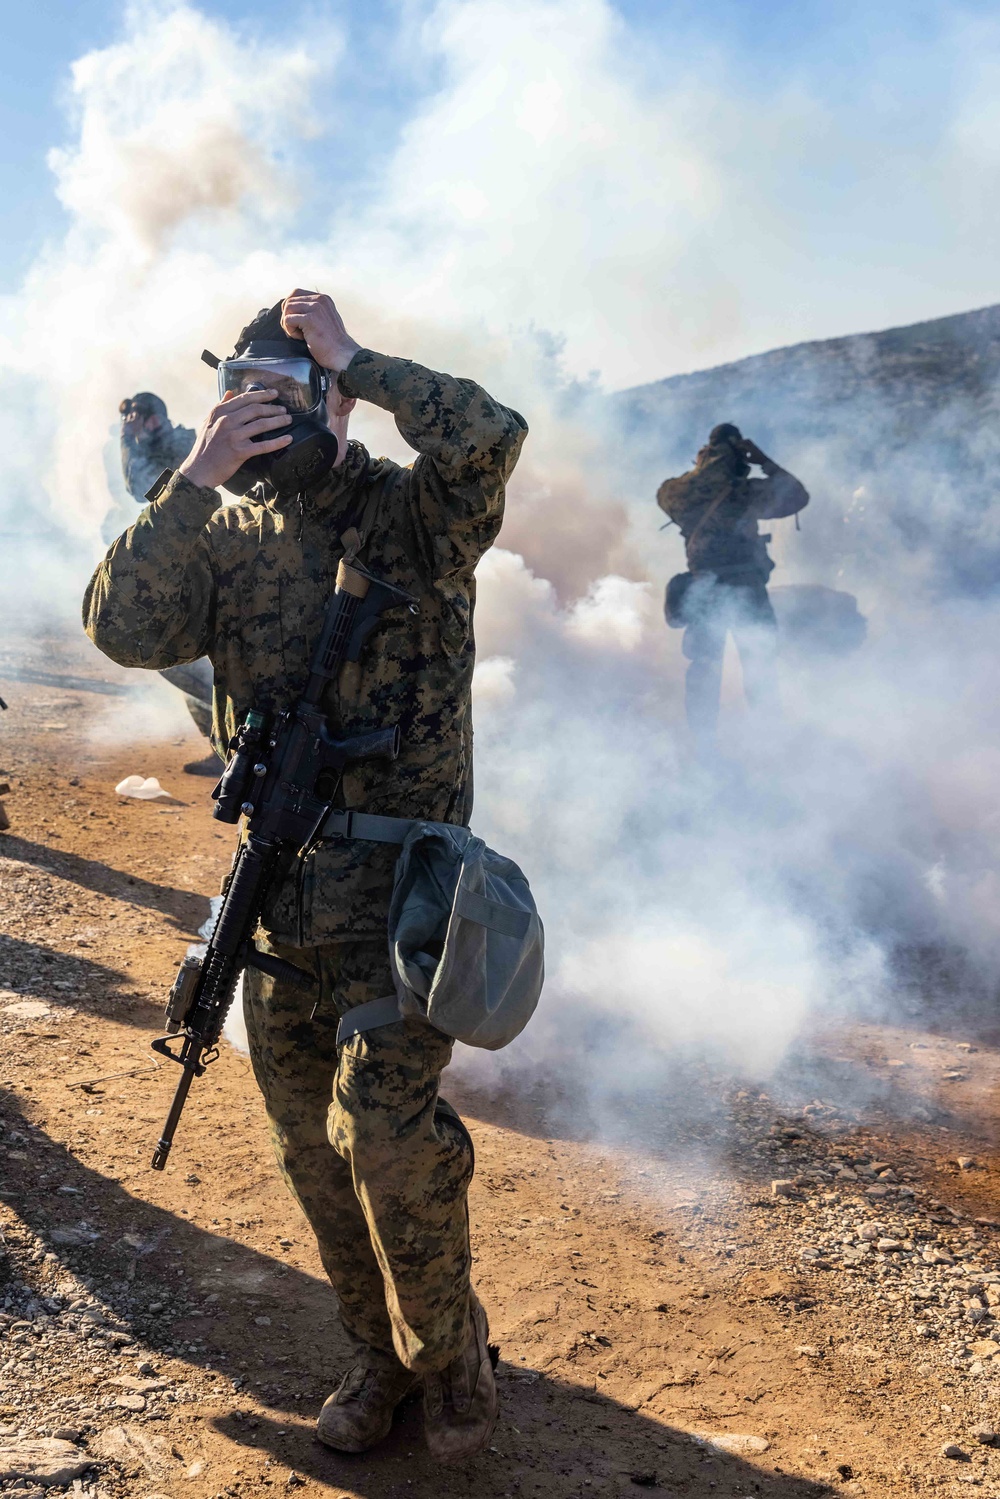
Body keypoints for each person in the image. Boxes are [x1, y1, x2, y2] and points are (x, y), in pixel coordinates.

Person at [84, 290, 528, 1463]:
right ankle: (376, 1359)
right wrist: (191, 477)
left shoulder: (416, 516)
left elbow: (488, 433)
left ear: (332, 399)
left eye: (289, 394)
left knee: (383, 1136)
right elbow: (122, 627)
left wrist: (356, 359)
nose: (267, 416)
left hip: (406, 912)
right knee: (312, 1159)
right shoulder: (222, 535)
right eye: (249, 393)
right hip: (278, 903)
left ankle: (451, 1359)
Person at [657, 423, 808, 750]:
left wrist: (701, 469)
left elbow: (664, 492)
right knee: (759, 666)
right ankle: (770, 743)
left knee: (703, 669)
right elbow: (797, 495)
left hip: (704, 589)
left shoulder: (682, 493)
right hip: (746, 589)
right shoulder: (744, 492)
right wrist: (762, 459)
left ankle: (704, 747)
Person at [117, 393, 218, 769]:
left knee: (188, 661)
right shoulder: (166, 444)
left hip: (207, 561)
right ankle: (224, 747)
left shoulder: (181, 443)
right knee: (183, 661)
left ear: (153, 417)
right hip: (188, 562)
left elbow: (137, 485)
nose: (129, 422)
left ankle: (239, 742)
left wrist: (127, 441)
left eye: (134, 415)